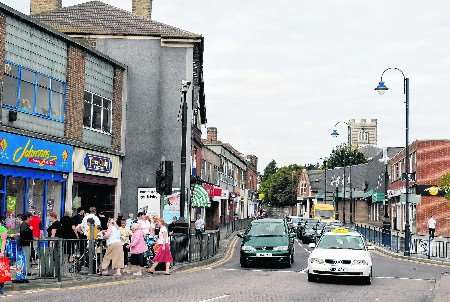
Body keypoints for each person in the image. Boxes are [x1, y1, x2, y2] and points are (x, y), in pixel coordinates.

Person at [0, 216, 8, 295]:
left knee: (1, 271)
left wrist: (2, 252)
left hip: (0, 251)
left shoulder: (2, 229)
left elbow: (4, 241)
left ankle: (1, 289)